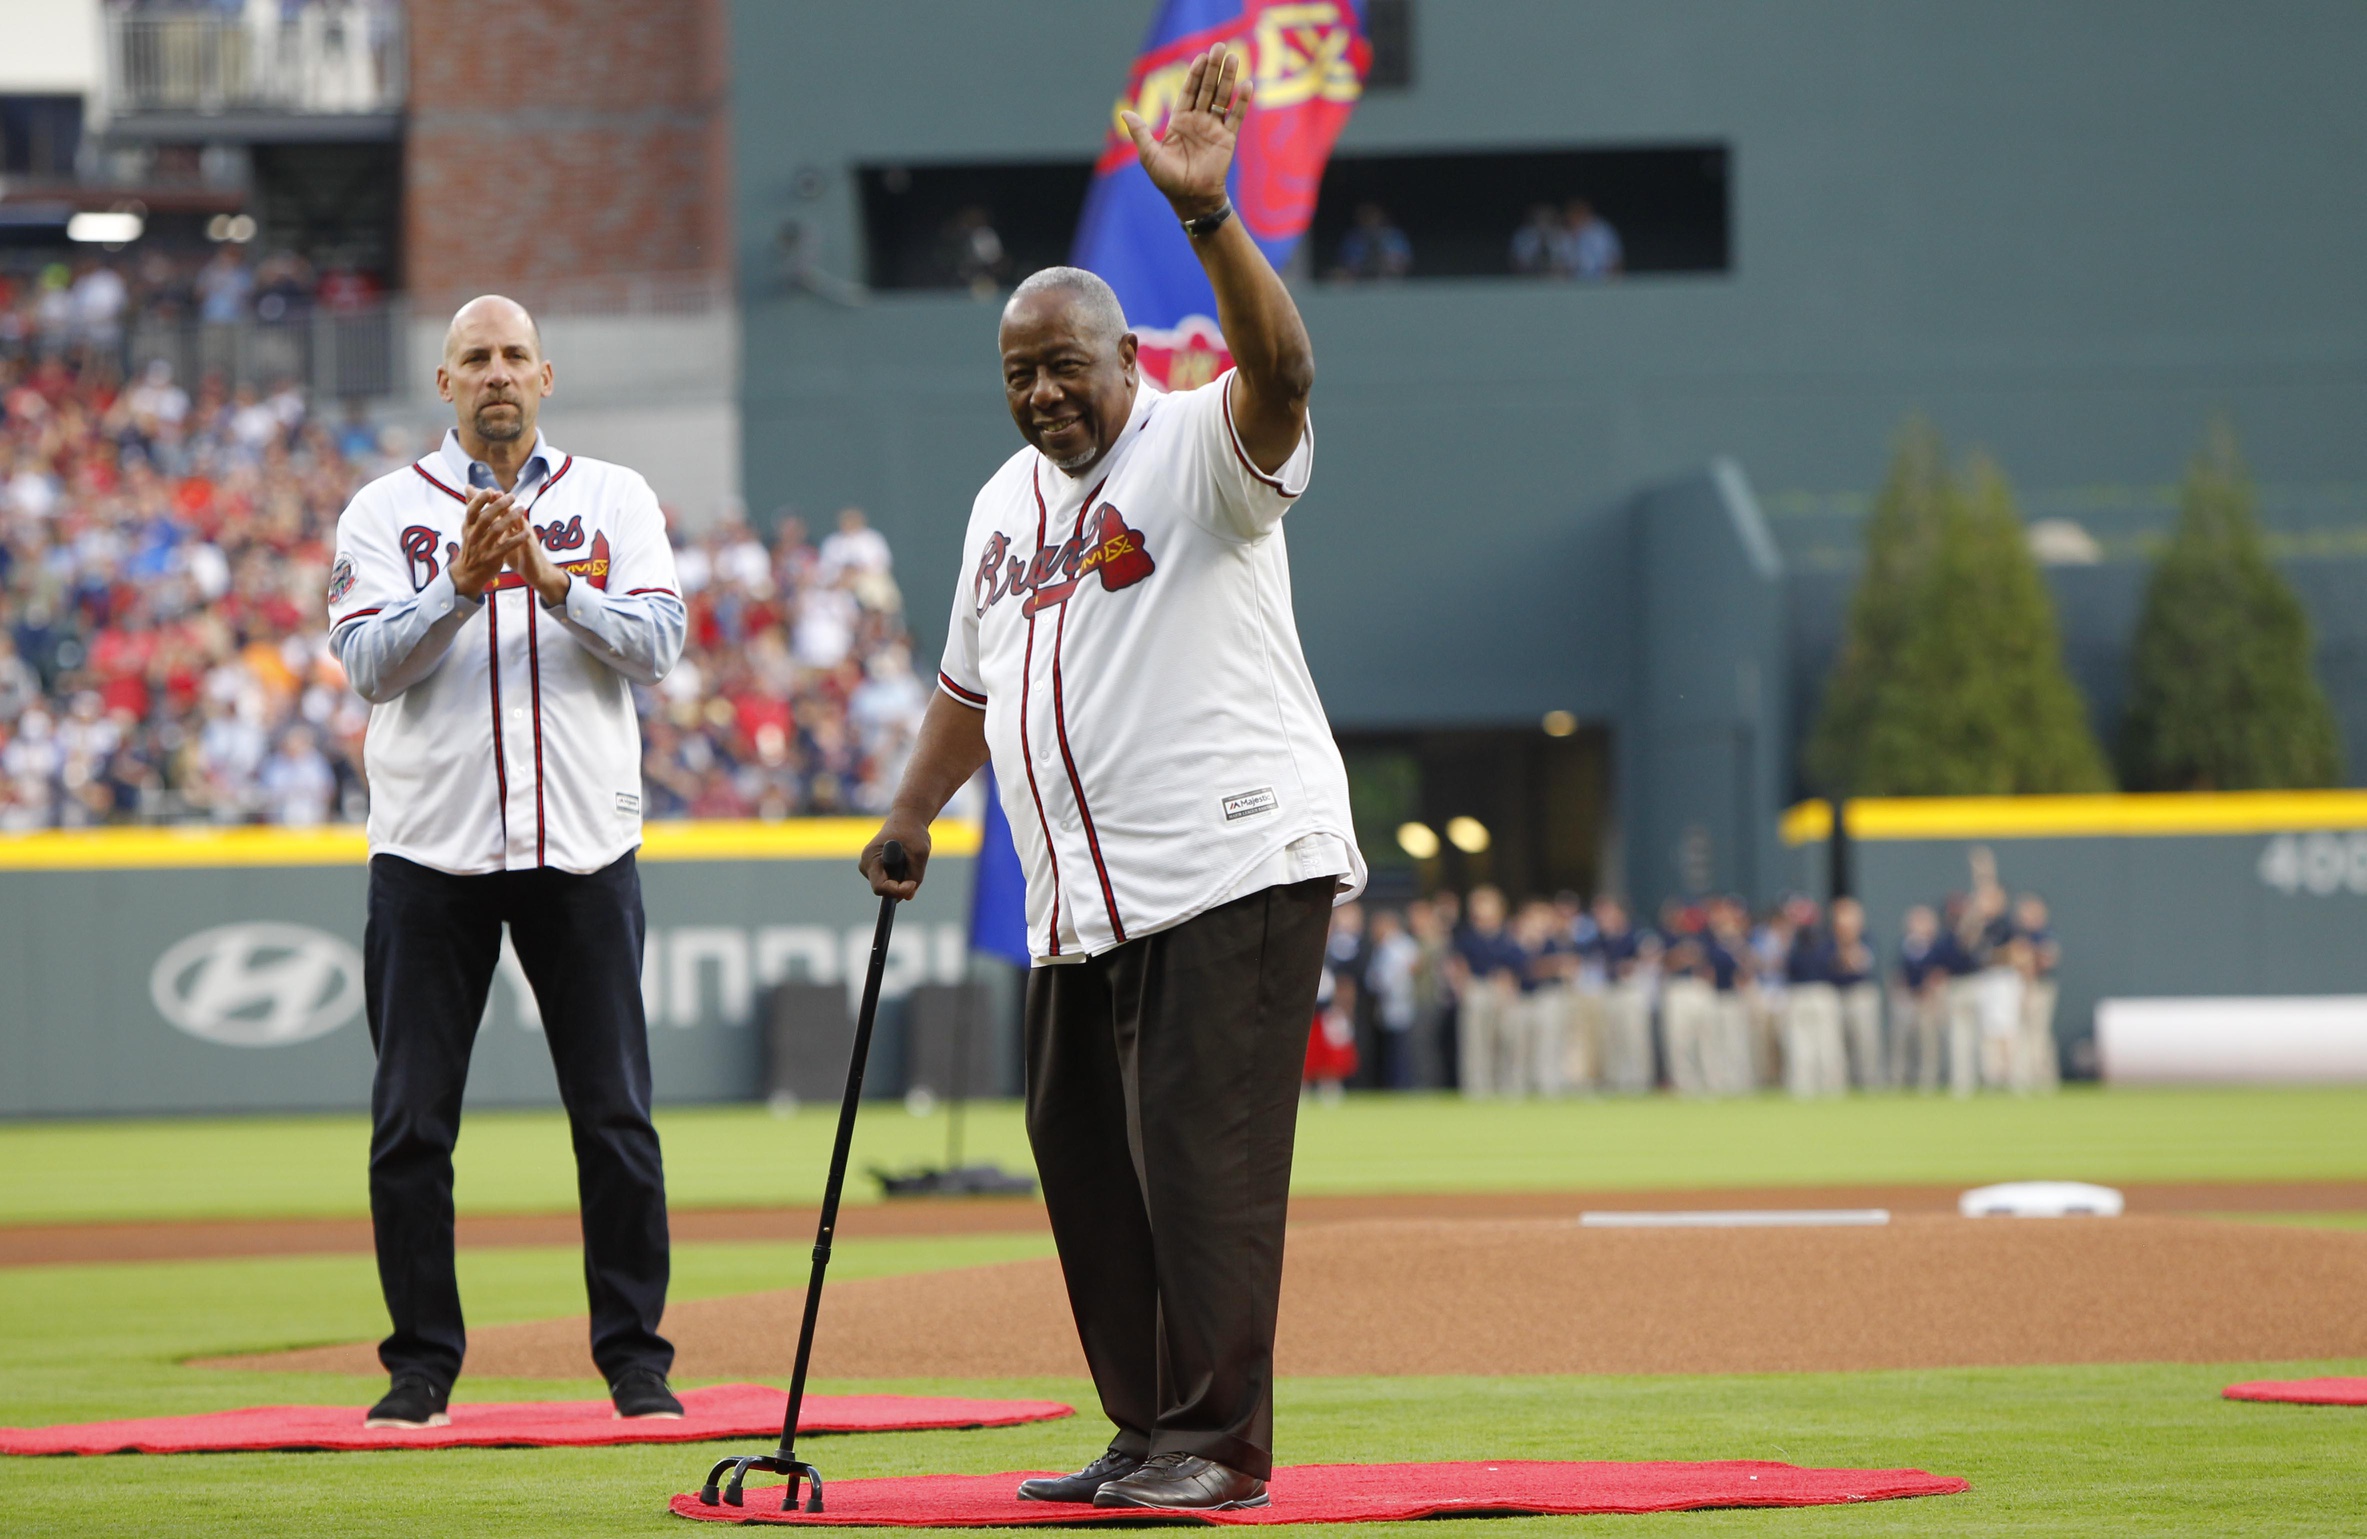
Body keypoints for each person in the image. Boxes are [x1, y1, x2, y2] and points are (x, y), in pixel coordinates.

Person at [855, 50, 1362, 1513]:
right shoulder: (1000, 505)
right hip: (1079, 897)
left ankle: (1219, 1442)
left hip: (1228, 863)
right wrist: (910, 809)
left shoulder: (1198, 442)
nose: (1041, 390)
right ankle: (1145, 1429)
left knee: (1200, 1163)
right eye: (1018, 371)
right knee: (1083, 1159)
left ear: (1127, 358)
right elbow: (968, 687)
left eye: (1063, 363)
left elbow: (1286, 376)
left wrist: (1207, 216)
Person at [326, 295, 688, 1430]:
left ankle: (636, 1362)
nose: (496, 373)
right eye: (475, 357)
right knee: (411, 1124)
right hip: (430, 850)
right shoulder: (385, 509)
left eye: (514, 356)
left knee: (615, 1116)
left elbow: (661, 645)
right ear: (445, 383)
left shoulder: (613, 497)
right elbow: (366, 666)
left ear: (546, 375)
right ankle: (419, 1368)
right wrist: (458, 588)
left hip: (581, 843)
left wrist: (555, 581)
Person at [1334, 202, 1412, 281]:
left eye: (1372, 216)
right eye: (1365, 216)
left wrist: (1386, 263)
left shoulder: (1394, 235)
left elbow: (1404, 261)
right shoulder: (1352, 237)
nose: (1369, 219)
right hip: (1358, 281)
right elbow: (1345, 262)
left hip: (1390, 279)